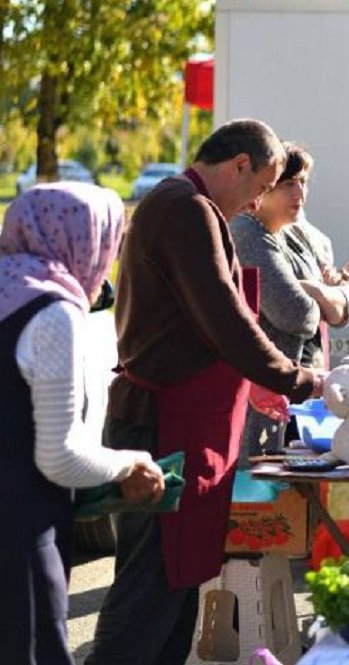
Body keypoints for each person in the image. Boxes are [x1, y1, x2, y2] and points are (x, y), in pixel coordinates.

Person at [87, 119, 326, 665]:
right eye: (260, 186)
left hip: (183, 423)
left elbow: (216, 322)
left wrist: (261, 379)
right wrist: (300, 379)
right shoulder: (186, 209)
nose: (256, 202)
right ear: (239, 165)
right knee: (148, 591)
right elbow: (225, 318)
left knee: (175, 592)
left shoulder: (186, 205)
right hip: (162, 426)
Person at [0, 183, 165, 664]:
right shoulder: (52, 314)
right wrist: (130, 464)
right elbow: (59, 457)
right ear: (85, 243)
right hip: (19, 536)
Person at [231, 143, 349, 459]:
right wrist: (323, 297)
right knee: (260, 477)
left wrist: (312, 289)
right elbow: (295, 314)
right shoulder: (247, 232)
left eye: (303, 182)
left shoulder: (294, 232)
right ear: (263, 188)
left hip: (304, 394)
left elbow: (342, 309)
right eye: (287, 184)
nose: (299, 193)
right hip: (266, 398)